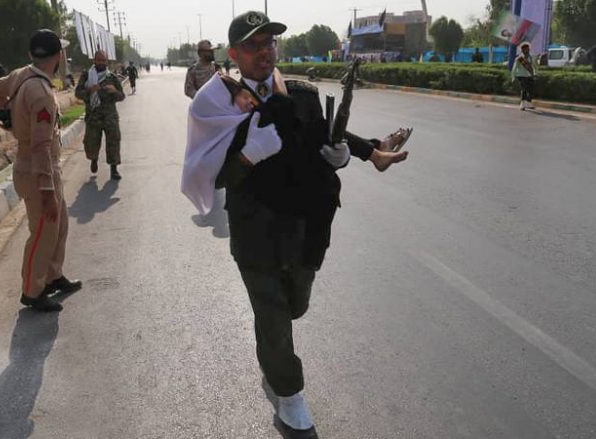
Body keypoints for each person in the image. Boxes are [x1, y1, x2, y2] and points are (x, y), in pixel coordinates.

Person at [181, 11, 409, 438]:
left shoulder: (300, 92)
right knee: (272, 311)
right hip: (253, 229)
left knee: (294, 306)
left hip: (302, 225)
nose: (265, 52)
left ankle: (274, 358)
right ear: (233, 54)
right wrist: (250, 154)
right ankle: (289, 394)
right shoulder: (215, 103)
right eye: (254, 45)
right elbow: (211, 176)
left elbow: (326, 135)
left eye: (270, 43)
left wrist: (362, 153)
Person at [0, 29, 82, 312]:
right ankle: (32, 290)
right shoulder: (40, 92)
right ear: (59, 56)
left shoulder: (20, 75)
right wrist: (47, 190)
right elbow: (40, 146)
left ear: (32, 54)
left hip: (40, 166)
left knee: (58, 226)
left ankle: (52, 275)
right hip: (37, 169)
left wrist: (9, 115)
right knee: (42, 232)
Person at [75, 50, 126, 180]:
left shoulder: (112, 78)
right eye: (99, 60)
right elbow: (78, 93)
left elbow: (121, 96)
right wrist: (90, 90)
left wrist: (114, 91)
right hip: (93, 117)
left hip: (110, 117)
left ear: (107, 62)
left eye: (103, 60)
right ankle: (94, 159)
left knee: (113, 142)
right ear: (94, 61)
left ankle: (113, 169)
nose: (101, 63)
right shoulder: (87, 76)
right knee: (91, 143)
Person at [511, 42, 536, 110]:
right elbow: (514, 68)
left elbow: (533, 66)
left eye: (528, 49)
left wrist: (534, 73)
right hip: (521, 75)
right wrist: (513, 77)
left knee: (530, 89)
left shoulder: (531, 57)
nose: (527, 50)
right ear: (522, 50)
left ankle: (529, 103)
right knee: (524, 89)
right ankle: (522, 103)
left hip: (529, 75)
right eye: (526, 49)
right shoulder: (520, 58)